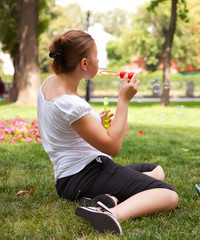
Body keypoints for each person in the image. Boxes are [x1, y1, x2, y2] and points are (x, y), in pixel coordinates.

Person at [37, 30, 179, 235]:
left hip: (66, 180)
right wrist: (123, 100)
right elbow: (113, 146)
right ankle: (111, 213)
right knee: (167, 194)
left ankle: (104, 198)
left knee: (155, 170)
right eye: (96, 56)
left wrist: (96, 122)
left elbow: (65, 127)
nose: (99, 61)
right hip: (87, 172)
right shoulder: (70, 103)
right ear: (84, 64)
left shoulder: (49, 83)